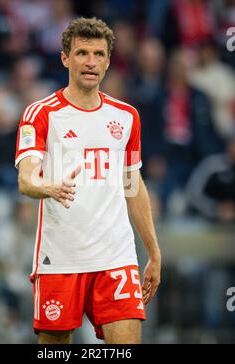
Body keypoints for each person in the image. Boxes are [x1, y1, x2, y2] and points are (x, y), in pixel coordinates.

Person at [15, 17, 161, 344]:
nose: (90, 62)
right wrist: (46, 187)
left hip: (116, 257)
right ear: (65, 58)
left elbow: (132, 185)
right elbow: (26, 180)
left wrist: (153, 250)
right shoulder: (40, 114)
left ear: (108, 62)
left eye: (99, 54)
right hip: (60, 259)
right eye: (82, 53)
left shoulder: (126, 117)